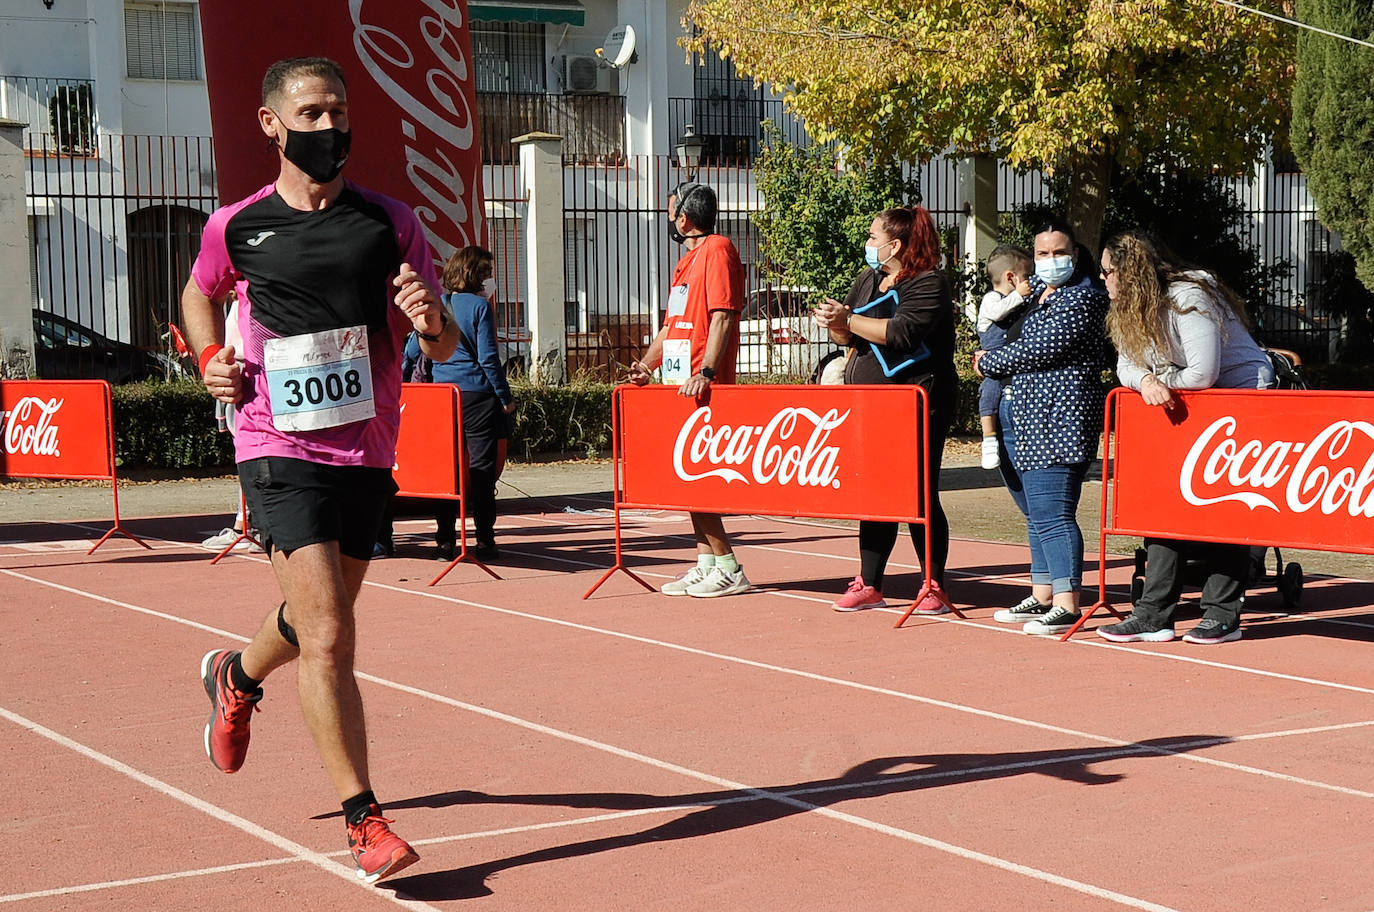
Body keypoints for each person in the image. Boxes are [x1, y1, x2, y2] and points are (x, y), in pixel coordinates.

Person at [180, 56, 458, 883]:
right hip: (276, 444)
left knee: (314, 622)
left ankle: (235, 674)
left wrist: (427, 318)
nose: (329, 128)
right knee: (332, 632)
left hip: (366, 447)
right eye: (310, 114)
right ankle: (364, 820)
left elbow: (441, 343)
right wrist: (209, 359)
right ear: (272, 124)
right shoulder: (237, 226)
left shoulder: (390, 221)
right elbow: (198, 294)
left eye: (338, 112)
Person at [1096, 231, 1274, 645]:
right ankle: (1154, 614)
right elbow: (1125, 364)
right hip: (1186, 403)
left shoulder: (1189, 297)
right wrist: (1143, 379)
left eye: (1108, 272)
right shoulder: (1128, 310)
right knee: (1164, 506)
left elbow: (1202, 373)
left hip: (1239, 400)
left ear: (1130, 273)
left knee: (1222, 507)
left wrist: (1159, 381)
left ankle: (1222, 614)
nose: (1103, 280)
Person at [811, 205, 958, 614]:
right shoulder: (869, 278)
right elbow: (850, 337)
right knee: (876, 493)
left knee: (919, 493)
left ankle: (933, 586)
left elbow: (901, 332)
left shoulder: (929, 282)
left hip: (918, 400)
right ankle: (870, 583)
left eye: (873, 237)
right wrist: (835, 323)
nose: (868, 243)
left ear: (895, 244)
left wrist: (850, 319)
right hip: (871, 404)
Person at [975, 220, 1111, 636]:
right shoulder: (1033, 295)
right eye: (1042, 254)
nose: (1050, 261)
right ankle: (1042, 593)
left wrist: (988, 362)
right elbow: (998, 331)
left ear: (1076, 254)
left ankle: (1068, 601)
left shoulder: (1083, 299)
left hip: (1059, 420)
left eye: (1059, 253)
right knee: (1035, 514)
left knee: (1053, 513)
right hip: (1022, 416)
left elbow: (1038, 349)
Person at [627, 180, 750, 598]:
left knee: (699, 478)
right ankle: (707, 562)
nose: (667, 218)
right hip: (678, 383)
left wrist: (709, 371)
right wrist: (644, 366)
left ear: (683, 218)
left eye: (669, 211)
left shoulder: (717, 249)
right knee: (686, 478)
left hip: (702, 386)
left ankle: (729, 565)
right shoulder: (686, 262)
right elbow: (671, 327)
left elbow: (723, 316)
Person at [406, 245, 515, 561]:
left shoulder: (438, 305)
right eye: (487, 273)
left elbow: (413, 351)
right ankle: (484, 540)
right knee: (481, 469)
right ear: (475, 274)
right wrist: (505, 397)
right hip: (478, 396)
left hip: (442, 396)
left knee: (446, 469)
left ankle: (444, 541)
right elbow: (488, 359)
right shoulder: (480, 308)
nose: (490, 280)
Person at [971, 246, 1033, 470]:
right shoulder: (991, 299)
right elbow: (998, 313)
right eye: (1026, 276)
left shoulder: (1019, 303)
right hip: (994, 364)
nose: (1030, 282)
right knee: (989, 393)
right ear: (1011, 277)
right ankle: (988, 439)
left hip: (1013, 367)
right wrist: (1018, 295)